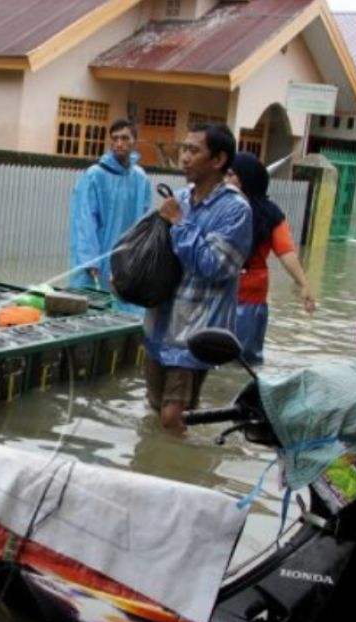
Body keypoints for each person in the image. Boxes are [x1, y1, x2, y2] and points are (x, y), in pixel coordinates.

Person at [147, 122, 252, 435]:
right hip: (159, 324)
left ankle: (179, 476)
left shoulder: (236, 211)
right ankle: (158, 467)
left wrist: (179, 224)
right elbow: (156, 251)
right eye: (184, 148)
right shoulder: (178, 198)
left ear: (218, 160)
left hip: (194, 331)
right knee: (155, 409)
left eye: (194, 150)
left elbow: (214, 266)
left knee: (172, 416)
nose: (184, 157)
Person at [227, 153, 316, 366]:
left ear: (244, 179)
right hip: (244, 292)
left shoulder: (226, 207)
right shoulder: (271, 213)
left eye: (231, 175)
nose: (225, 179)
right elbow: (286, 252)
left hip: (242, 291)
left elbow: (286, 252)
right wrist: (303, 284)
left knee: (232, 357)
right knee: (245, 359)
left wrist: (303, 284)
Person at [68, 119, 154, 311]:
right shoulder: (95, 175)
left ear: (134, 142)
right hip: (98, 257)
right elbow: (84, 220)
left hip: (127, 259)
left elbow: (145, 220)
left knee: (125, 310)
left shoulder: (140, 178)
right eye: (115, 138)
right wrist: (90, 259)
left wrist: (141, 256)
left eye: (125, 138)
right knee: (91, 308)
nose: (119, 143)